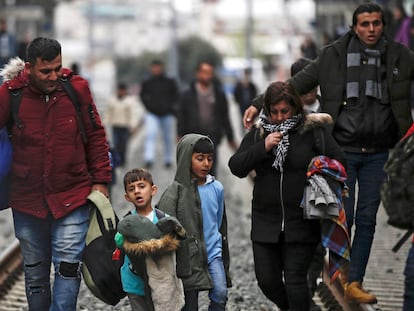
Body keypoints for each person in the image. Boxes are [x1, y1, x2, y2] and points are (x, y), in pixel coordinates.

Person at [243, 3, 414, 304]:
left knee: (368, 217)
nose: (371, 29)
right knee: (339, 217)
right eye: (365, 24)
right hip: (343, 150)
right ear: (354, 27)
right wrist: (258, 103)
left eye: (376, 23)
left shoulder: (400, 57)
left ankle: (354, 280)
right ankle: (338, 272)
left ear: (383, 25)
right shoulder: (333, 56)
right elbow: (293, 85)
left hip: (378, 151)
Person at [0, 37, 111, 311]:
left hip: (72, 195)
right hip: (27, 200)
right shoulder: (10, 94)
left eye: (57, 69)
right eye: (45, 71)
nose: (53, 76)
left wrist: (100, 181)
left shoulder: (77, 89)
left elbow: (96, 136)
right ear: (28, 68)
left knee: (68, 267)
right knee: (36, 275)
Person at [229, 81, 346, 311]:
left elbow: (341, 162)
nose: (280, 117)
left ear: (295, 107)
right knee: (267, 282)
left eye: (285, 111)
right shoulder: (259, 133)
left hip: (302, 223)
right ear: (267, 110)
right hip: (265, 223)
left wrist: (320, 167)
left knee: (295, 282)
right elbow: (236, 166)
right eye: (275, 112)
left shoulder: (313, 132)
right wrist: (263, 147)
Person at [157, 133, 231, 311]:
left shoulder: (217, 188)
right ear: (185, 159)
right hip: (187, 259)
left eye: (210, 159)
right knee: (190, 304)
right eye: (200, 158)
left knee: (220, 292)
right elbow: (164, 226)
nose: (206, 164)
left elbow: (220, 221)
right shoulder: (175, 193)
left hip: (213, 252)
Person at [114, 168, 185, 311]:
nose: (137, 191)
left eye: (141, 186)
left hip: (161, 280)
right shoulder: (127, 221)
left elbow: (176, 241)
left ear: (153, 190)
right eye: (131, 189)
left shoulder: (162, 219)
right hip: (134, 281)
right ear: (127, 196)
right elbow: (119, 241)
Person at [177, 61, 237, 175]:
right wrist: (180, 135)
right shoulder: (187, 94)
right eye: (204, 72)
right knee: (192, 172)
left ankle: (209, 192)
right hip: (192, 138)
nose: (207, 76)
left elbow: (225, 116)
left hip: (212, 138)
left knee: (210, 172)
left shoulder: (218, 94)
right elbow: (182, 115)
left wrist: (230, 137)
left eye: (209, 73)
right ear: (198, 74)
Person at [140, 59, 179, 169]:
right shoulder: (148, 82)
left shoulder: (169, 81)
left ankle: (168, 159)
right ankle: (149, 158)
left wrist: (172, 108)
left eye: (158, 67)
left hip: (167, 114)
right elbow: (142, 95)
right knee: (150, 135)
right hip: (152, 113)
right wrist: (148, 106)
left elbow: (176, 95)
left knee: (167, 137)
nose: (156, 69)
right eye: (154, 67)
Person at [104, 82, 138, 167]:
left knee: (124, 145)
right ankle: (117, 160)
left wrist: (133, 125)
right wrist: (104, 124)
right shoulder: (112, 101)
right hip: (115, 126)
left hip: (124, 126)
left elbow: (132, 115)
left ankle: (123, 160)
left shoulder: (129, 102)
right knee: (116, 144)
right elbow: (108, 114)